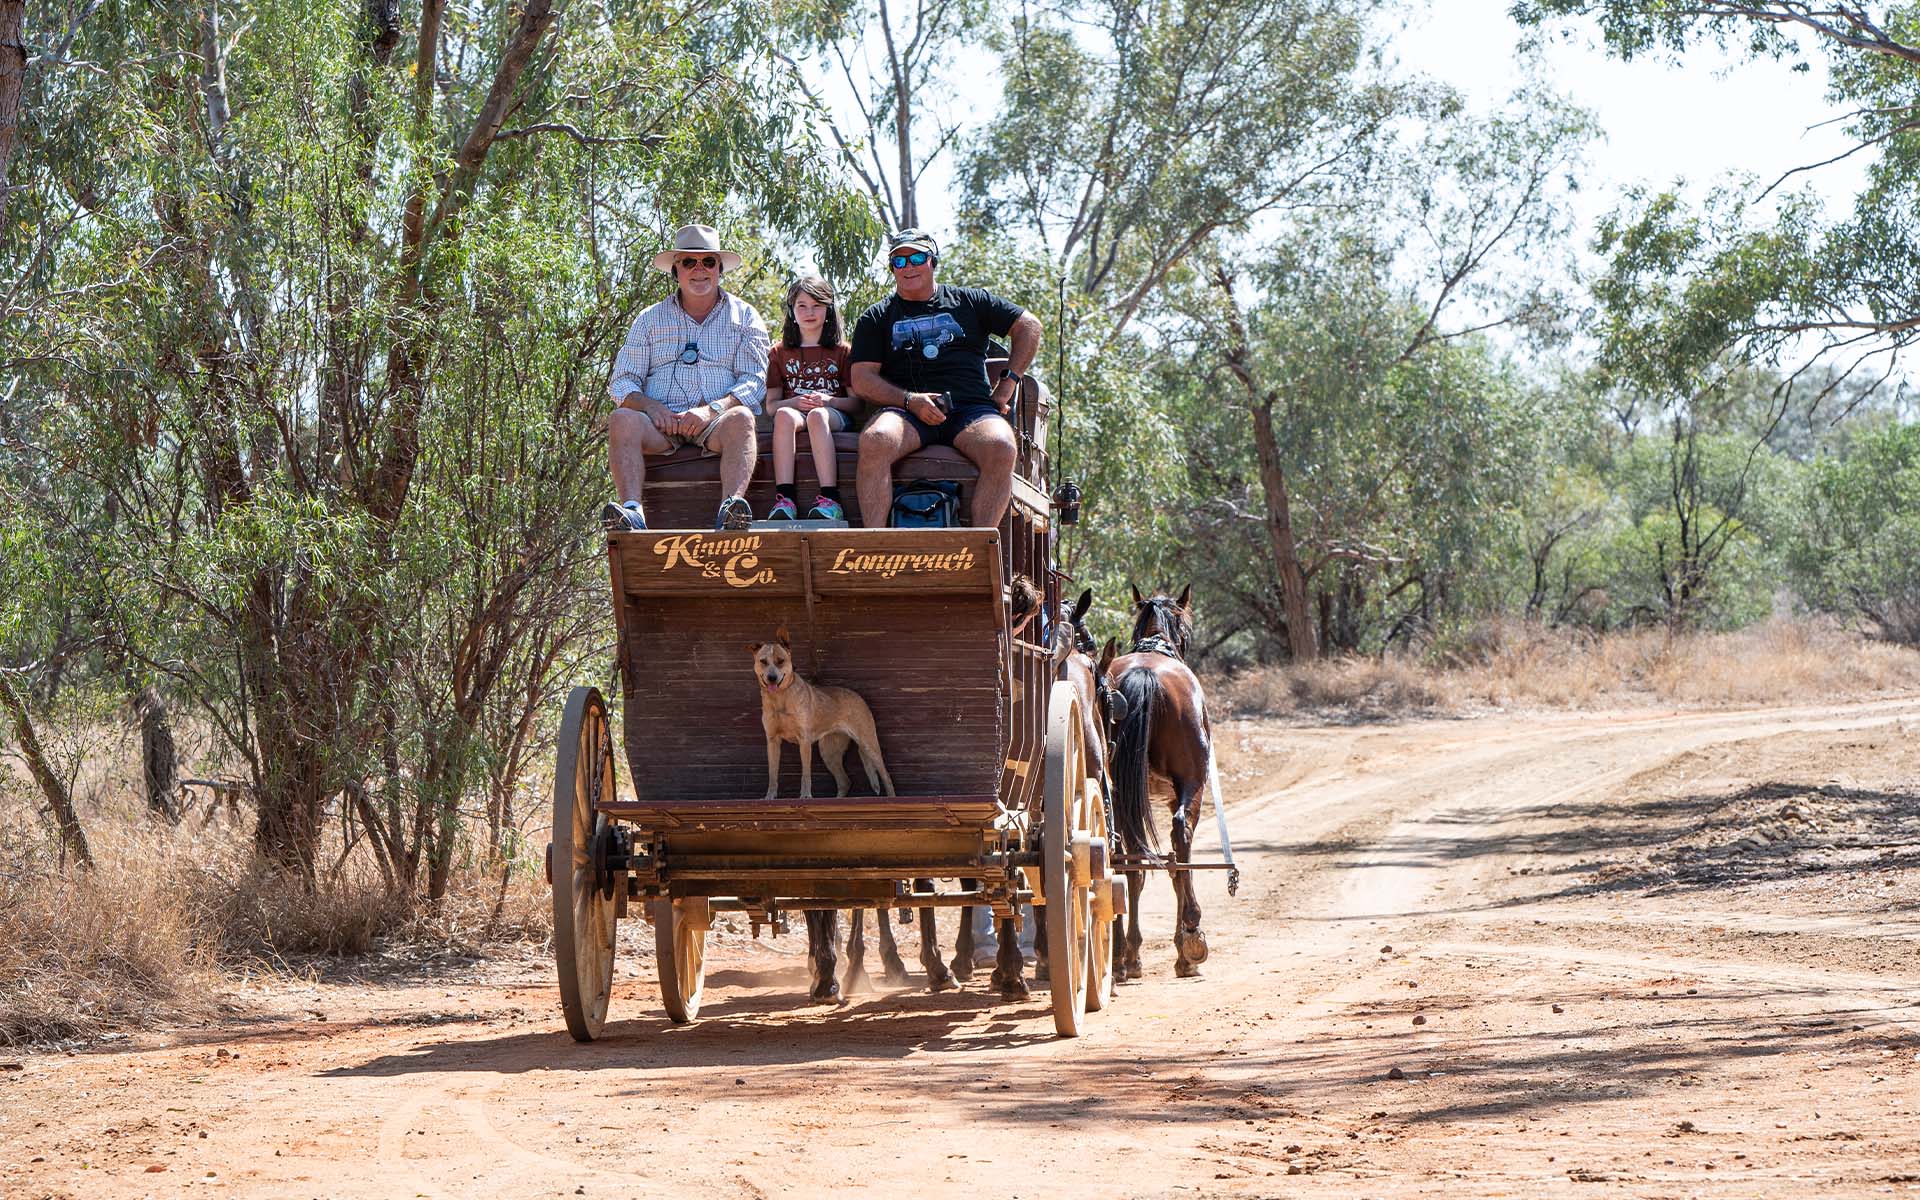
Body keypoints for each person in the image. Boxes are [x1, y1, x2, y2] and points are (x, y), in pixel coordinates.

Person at [850, 229, 1042, 529]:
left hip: (970, 411)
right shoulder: (876, 318)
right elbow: (861, 379)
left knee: (1002, 445)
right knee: (876, 439)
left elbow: (1028, 325)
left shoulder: (970, 301)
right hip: (906, 413)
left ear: (932, 261)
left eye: (916, 258)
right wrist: (909, 400)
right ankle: (877, 543)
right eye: (899, 262)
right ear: (892, 270)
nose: (908, 267)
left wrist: (1007, 384)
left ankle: (980, 546)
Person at [603, 224, 769, 532]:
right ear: (675, 270)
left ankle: (730, 511)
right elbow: (622, 382)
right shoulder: (649, 319)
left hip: (716, 423)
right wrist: (652, 408)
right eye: (688, 262)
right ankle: (632, 512)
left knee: (743, 418)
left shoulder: (745, 316)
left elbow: (754, 381)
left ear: (719, 269)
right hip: (659, 424)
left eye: (707, 261)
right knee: (621, 419)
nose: (699, 270)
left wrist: (712, 411)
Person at [765, 276, 859, 522]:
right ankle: (784, 500)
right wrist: (794, 403)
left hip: (833, 415)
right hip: (794, 413)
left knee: (817, 416)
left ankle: (830, 499)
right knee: (784, 415)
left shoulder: (843, 351)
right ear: (792, 311)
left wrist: (830, 401)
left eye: (817, 305)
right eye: (802, 305)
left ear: (828, 309)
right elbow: (772, 406)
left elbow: (856, 403)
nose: (809, 312)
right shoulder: (778, 352)